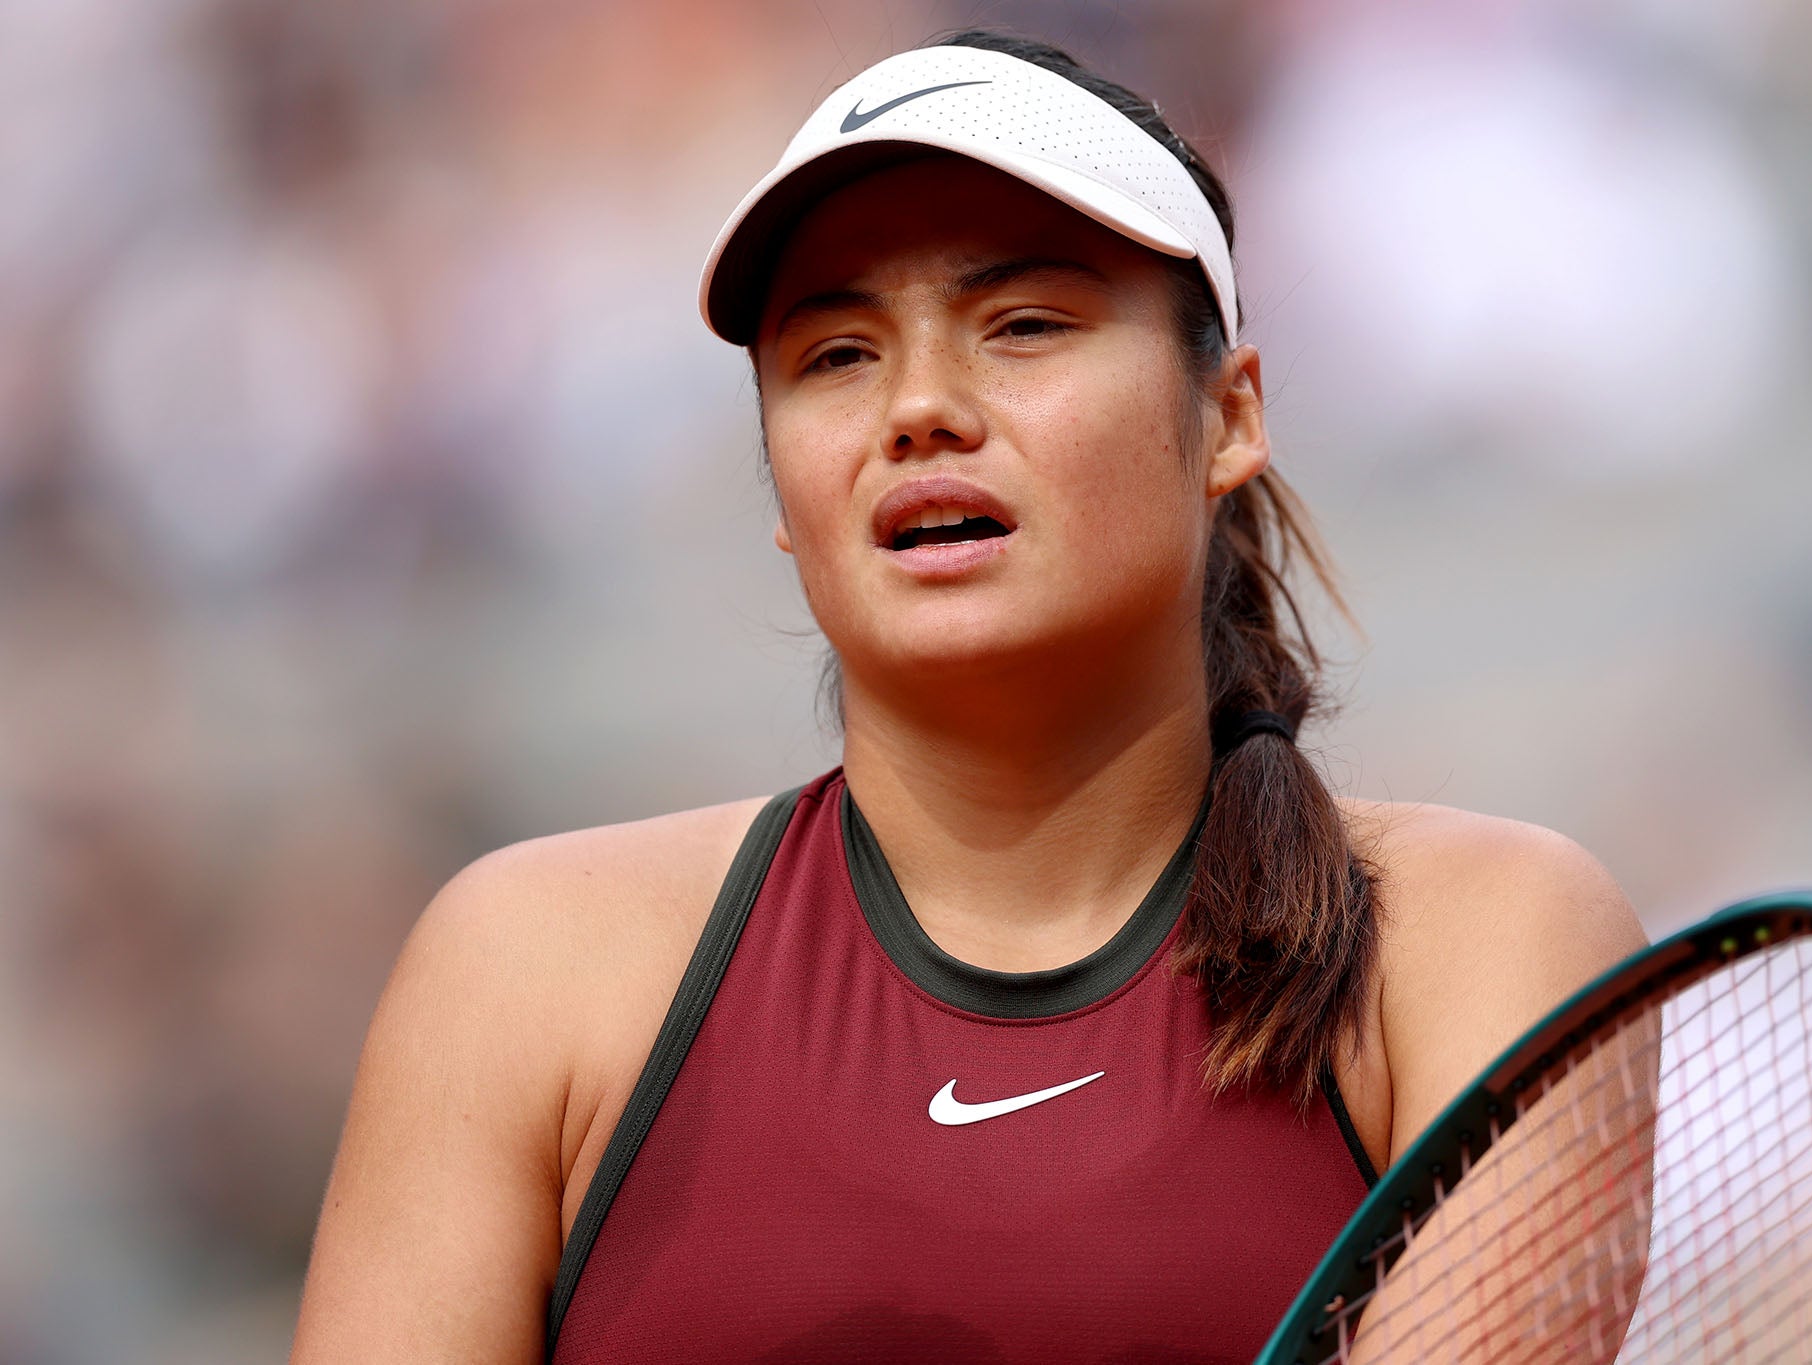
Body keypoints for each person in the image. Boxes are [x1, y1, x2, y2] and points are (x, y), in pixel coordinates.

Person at [290, 30, 1646, 1364]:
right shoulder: (521, 970)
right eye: (835, 355)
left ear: (1227, 416)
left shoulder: (1482, 938)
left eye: (1024, 325)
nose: (920, 406)